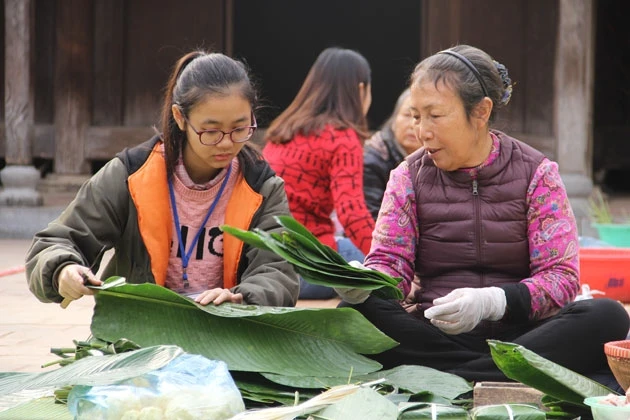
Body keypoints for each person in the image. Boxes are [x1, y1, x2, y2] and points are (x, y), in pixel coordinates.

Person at [335, 44, 630, 387]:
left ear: (481, 111)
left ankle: (452, 378)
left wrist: (495, 301)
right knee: (353, 314)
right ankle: (502, 375)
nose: (422, 131)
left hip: (525, 337)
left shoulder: (538, 174)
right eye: (416, 116)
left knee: (606, 316)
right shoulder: (407, 178)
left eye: (435, 115)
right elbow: (391, 264)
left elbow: (561, 278)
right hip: (435, 336)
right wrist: (367, 284)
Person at [25, 50, 299, 308]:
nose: (226, 143)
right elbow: (54, 242)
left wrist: (241, 298)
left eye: (240, 128)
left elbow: (278, 270)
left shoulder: (262, 186)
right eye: (211, 131)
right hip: (140, 336)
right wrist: (63, 270)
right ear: (180, 117)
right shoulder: (131, 175)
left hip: (228, 334)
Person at [263, 47, 375, 299]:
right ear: (360, 90)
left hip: (265, 263)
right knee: (380, 260)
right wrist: (390, 261)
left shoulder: (282, 130)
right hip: (308, 268)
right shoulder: (342, 138)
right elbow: (351, 213)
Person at [363, 88, 422, 220]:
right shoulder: (372, 160)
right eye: (408, 115)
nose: (412, 125)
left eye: (418, 117)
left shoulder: (438, 159)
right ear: (394, 118)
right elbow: (371, 218)